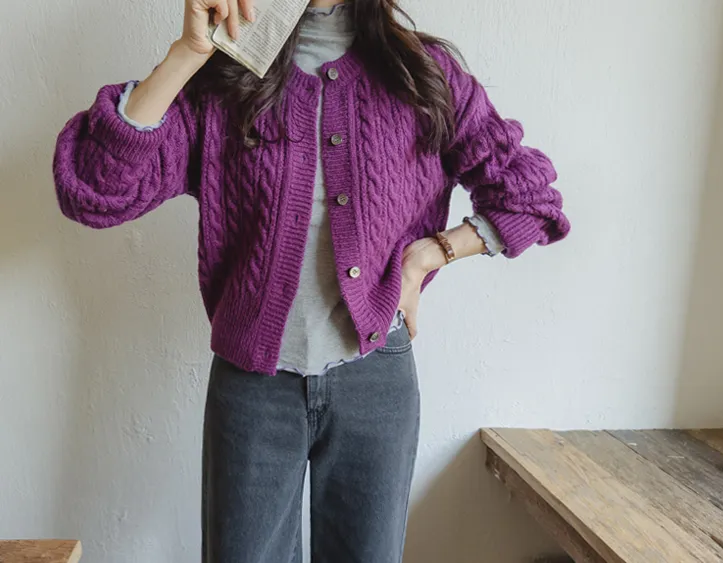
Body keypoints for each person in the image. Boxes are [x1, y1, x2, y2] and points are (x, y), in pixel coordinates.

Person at [52, 0, 570, 561]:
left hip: (377, 379)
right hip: (253, 387)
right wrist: (187, 54)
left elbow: (530, 200)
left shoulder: (422, 74)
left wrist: (429, 255)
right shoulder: (226, 77)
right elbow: (95, 188)